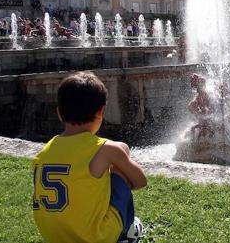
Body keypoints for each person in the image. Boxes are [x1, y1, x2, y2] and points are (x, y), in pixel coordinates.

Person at [32, 72, 147, 243]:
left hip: (54, 237)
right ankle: (126, 234)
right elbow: (140, 181)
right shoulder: (106, 150)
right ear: (100, 112)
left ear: (59, 113)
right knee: (120, 161)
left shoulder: (43, 153)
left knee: (117, 152)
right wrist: (119, 158)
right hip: (95, 238)